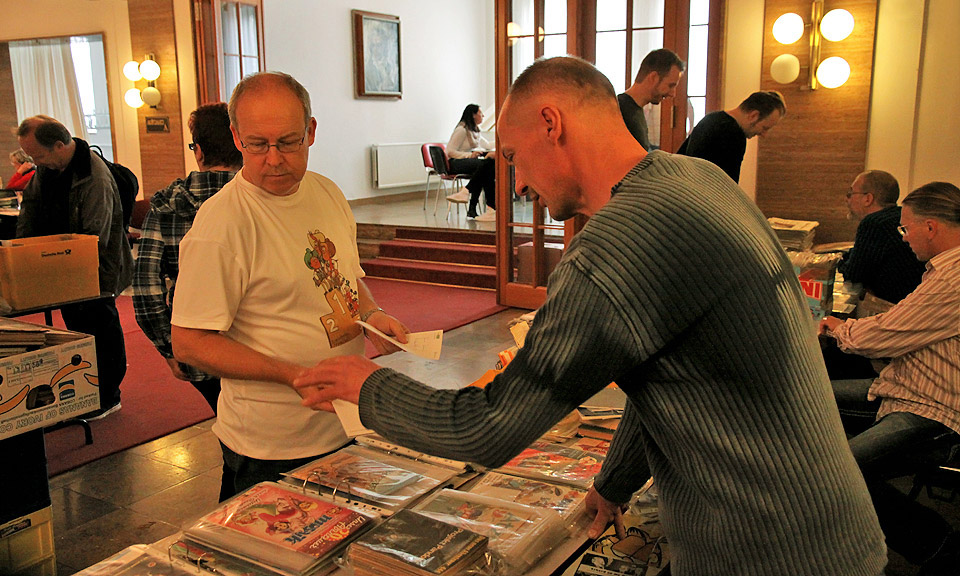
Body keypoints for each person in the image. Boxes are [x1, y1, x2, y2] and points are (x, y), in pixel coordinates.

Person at [294, 57, 886, 575]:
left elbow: (489, 428)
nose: (518, 182)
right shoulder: (698, 178)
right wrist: (614, 482)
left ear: (551, 123)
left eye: (513, 157)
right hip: (831, 525)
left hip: (764, 550)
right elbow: (659, 373)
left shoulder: (617, 243)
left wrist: (368, 386)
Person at [169, 72, 409, 501]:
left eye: (288, 142)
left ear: (311, 131)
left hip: (344, 423)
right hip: (271, 445)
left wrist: (372, 315)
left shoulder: (327, 192)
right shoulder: (222, 223)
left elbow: (346, 278)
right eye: (258, 144)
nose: (274, 159)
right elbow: (189, 342)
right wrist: (294, 375)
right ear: (236, 137)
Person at [819, 181, 960, 576]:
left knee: (838, 474)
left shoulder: (953, 278)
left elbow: (889, 333)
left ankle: (939, 548)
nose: (903, 237)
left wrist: (837, 328)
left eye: (905, 228)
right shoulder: (942, 270)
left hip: (935, 407)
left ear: (930, 227)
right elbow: (902, 320)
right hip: (905, 385)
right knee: (809, 398)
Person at [16, 116, 133, 419]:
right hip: (63, 267)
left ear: (59, 145)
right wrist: (24, 249)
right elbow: (30, 207)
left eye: (38, 155)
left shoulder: (94, 176)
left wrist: (62, 258)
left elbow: (95, 236)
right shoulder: (47, 169)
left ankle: (108, 395)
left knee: (101, 331)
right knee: (78, 332)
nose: (35, 162)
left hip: (95, 271)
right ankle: (86, 391)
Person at [132, 103, 243, 413]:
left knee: (227, 419)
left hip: (197, 341)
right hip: (263, 344)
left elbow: (145, 290)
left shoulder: (168, 206)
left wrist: (170, 348)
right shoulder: (264, 197)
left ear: (200, 151)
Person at [838, 170, 925, 306]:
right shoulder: (899, 216)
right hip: (917, 301)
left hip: (896, 307)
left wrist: (840, 263)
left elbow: (854, 276)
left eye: (850, 194)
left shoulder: (874, 223)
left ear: (868, 199)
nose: (847, 200)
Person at [676, 90, 786, 183]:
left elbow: (680, 158)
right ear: (754, 115)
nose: (764, 134)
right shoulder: (734, 135)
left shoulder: (710, 118)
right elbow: (728, 189)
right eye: (764, 128)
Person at [617, 49, 685, 151]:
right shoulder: (619, 111)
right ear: (653, 77)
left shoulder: (635, 110)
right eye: (670, 85)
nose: (672, 94)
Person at [445, 103, 497, 221]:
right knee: (487, 165)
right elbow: (450, 151)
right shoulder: (462, 130)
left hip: (466, 161)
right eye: (480, 113)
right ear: (473, 115)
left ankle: (469, 199)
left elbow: (487, 145)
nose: (483, 116)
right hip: (456, 163)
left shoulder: (474, 130)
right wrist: (469, 155)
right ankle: (490, 209)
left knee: (486, 168)